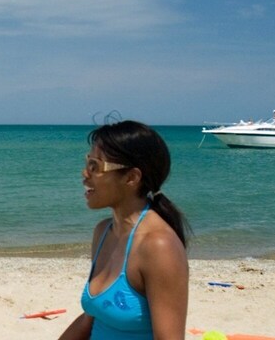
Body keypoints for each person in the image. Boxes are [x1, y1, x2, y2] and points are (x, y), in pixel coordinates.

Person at [60, 121, 189, 340]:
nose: (85, 173)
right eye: (87, 163)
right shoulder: (103, 232)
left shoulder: (158, 246)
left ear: (131, 178)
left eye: (95, 166)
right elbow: (90, 318)